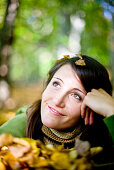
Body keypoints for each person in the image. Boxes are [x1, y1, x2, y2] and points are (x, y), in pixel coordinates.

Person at [0, 54, 114, 163]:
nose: (57, 101)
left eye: (76, 96)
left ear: (92, 108)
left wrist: (111, 110)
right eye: (56, 84)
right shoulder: (20, 125)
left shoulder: (103, 138)